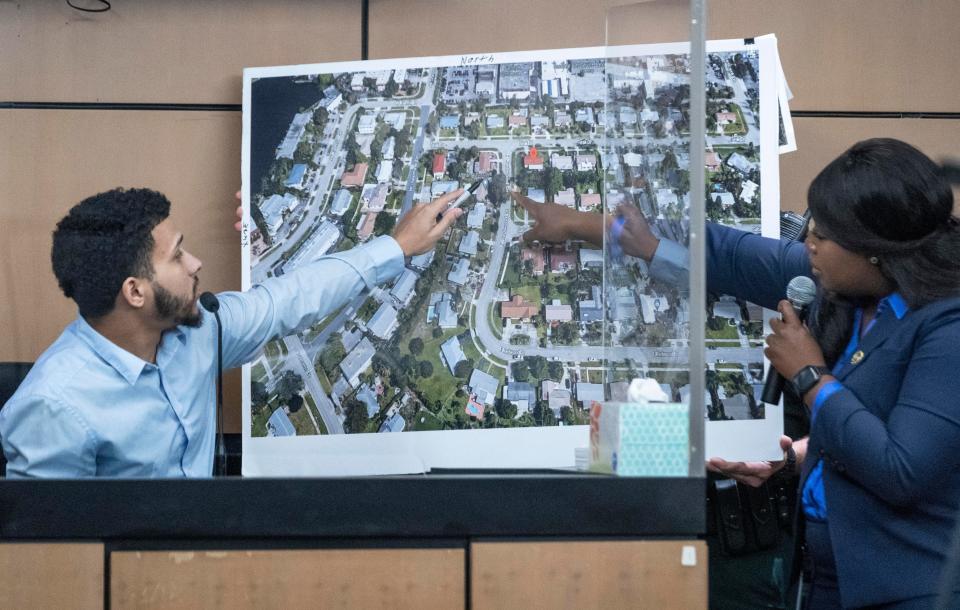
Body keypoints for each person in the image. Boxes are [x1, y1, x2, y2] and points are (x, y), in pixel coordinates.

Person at [515, 138, 960, 608]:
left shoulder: (946, 327)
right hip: (821, 574)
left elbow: (902, 469)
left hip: (905, 587)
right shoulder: (840, 288)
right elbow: (729, 255)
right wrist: (579, 224)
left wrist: (809, 376)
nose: (807, 242)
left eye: (823, 236)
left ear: (875, 249)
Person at [0, 187, 464, 477]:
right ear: (135, 291)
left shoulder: (197, 331)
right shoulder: (53, 406)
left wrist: (396, 247)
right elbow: (51, 559)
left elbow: (290, 299)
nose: (196, 264)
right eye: (178, 256)